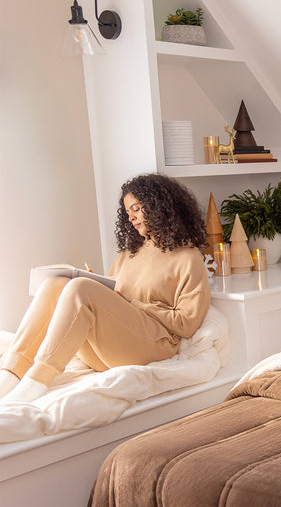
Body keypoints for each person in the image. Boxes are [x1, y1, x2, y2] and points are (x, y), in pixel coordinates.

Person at [0, 173, 211, 404]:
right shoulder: (130, 253)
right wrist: (98, 287)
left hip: (153, 346)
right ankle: (10, 373)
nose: (131, 218)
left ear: (158, 206)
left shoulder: (189, 258)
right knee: (56, 284)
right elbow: (113, 296)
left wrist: (132, 302)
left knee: (81, 288)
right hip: (109, 349)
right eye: (128, 212)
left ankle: (35, 382)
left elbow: (188, 324)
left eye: (137, 209)